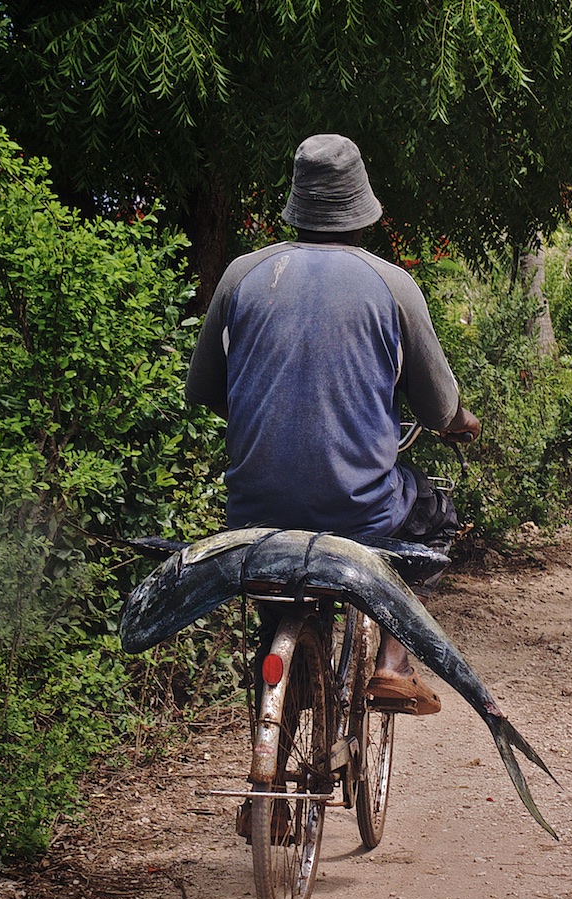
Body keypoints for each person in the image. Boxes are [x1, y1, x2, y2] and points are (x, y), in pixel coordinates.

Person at [185, 133, 479, 716]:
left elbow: (204, 391)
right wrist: (461, 424)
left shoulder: (243, 275)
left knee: (271, 578)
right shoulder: (393, 284)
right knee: (433, 516)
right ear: (361, 208)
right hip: (360, 510)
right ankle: (394, 661)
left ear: (298, 202)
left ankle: (278, 665)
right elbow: (439, 409)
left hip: (255, 509)